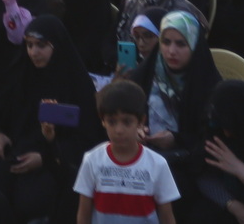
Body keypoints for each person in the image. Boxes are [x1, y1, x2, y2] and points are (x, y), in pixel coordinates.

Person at [71, 80, 178, 224]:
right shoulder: (92, 160)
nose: (119, 130)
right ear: (102, 121)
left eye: (127, 122)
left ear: (141, 121)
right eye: (112, 122)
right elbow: (84, 214)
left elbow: (167, 216)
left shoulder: (157, 164)